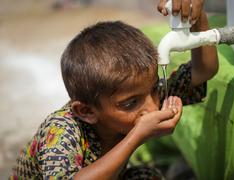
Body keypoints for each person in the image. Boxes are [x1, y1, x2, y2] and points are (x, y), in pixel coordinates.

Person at [10, 0, 217, 179]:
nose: (153, 107)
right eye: (129, 103)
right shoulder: (61, 130)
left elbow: (203, 70)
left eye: (155, 90)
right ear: (87, 111)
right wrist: (137, 136)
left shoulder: (142, 95)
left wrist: (196, 17)